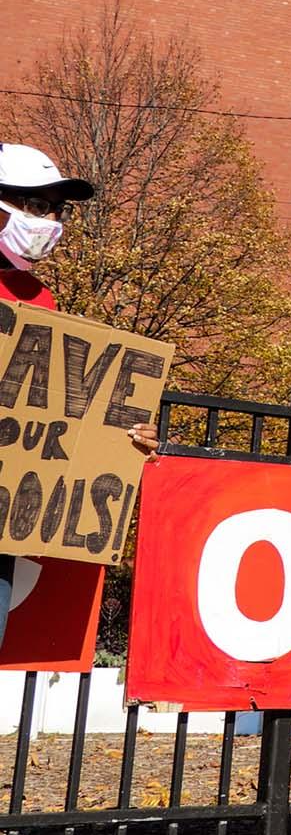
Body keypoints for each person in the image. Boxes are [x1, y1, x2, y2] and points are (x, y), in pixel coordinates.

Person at [0, 143, 157, 651]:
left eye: (55, 208)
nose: (48, 220)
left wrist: (120, 436)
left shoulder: (35, 297)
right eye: (33, 203)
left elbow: (52, 411)